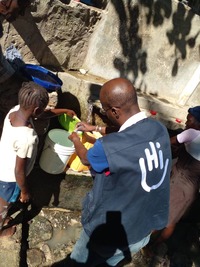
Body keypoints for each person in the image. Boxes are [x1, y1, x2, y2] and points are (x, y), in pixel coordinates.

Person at [65, 77, 172, 266]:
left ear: (114, 111)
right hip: (144, 229)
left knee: (78, 262)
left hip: (109, 234)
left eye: (105, 110)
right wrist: (96, 128)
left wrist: (75, 139)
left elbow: (85, 159)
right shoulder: (159, 129)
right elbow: (129, 131)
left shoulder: (106, 147)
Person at [0, 81, 76, 237]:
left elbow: (42, 114)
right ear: (36, 109)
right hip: (10, 178)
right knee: (3, 205)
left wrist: (64, 111)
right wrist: (24, 191)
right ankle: (1, 227)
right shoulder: (26, 138)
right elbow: (19, 170)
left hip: (2, 163)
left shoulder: (14, 112)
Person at [146, 105, 200, 250]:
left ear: (197, 123)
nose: (186, 123)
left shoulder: (191, 134)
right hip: (191, 190)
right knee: (172, 220)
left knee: (161, 216)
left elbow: (167, 143)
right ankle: (154, 247)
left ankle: (143, 243)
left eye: (189, 120)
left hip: (177, 182)